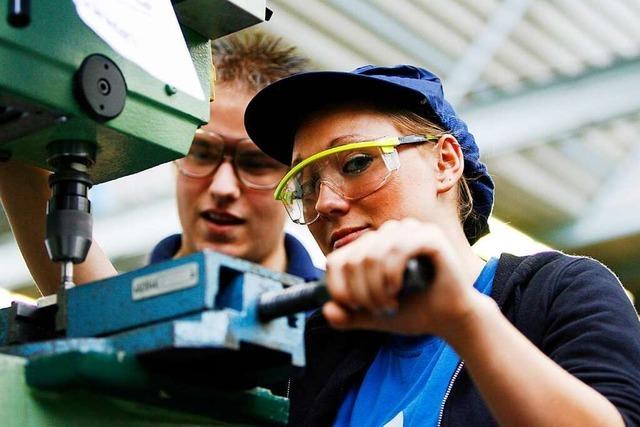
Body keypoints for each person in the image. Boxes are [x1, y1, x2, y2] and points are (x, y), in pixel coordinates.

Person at [243, 65, 640, 426]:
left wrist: (462, 321)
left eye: (357, 163)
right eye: (307, 185)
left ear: (446, 162)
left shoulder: (557, 293)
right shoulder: (313, 352)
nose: (325, 202)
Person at [0, 29, 321, 296]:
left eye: (255, 163)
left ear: (296, 181)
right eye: (202, 153)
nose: (223, 188)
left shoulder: (340, 318)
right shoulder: (131, 302)